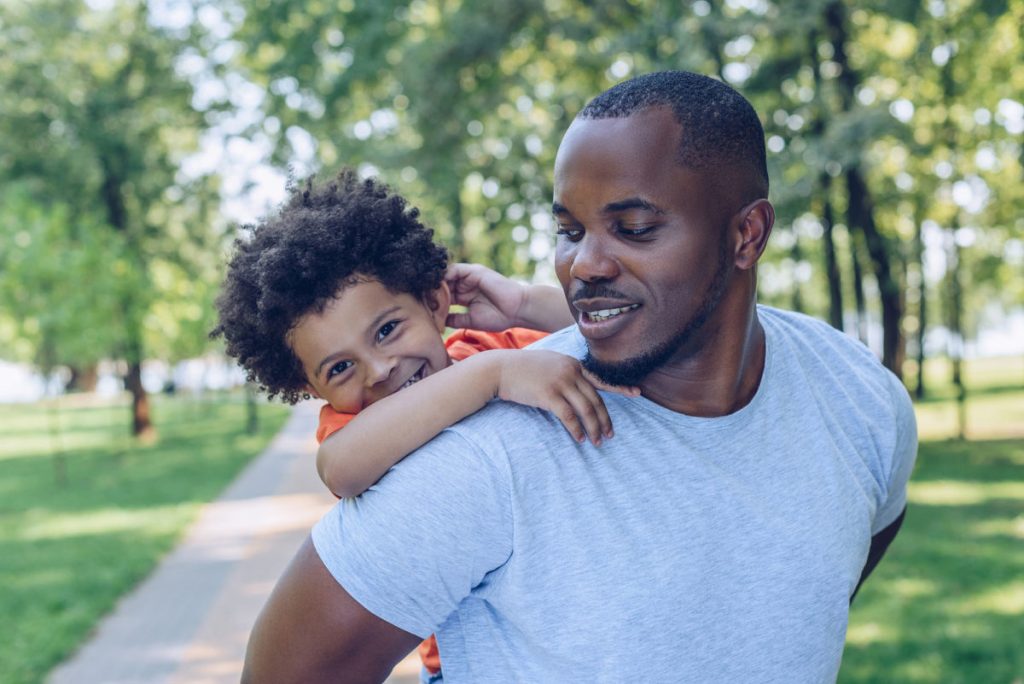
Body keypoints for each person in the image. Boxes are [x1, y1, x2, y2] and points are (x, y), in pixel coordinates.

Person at [241, 71, 917, 683]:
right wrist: (494, 376)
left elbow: (841, 560)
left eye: (634, 228)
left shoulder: (857, 396)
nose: (584, 265)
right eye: (568, 230)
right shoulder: (478, 451)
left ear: (747, 235)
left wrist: (521, 305)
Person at [212, 169, 634, 680]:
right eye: (340, 368)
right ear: (310, 389)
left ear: (435, 303)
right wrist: (490, 378)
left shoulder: (486, 350)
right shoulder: (364, 421)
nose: (379, 369)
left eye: (387, 329)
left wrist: (521, 303)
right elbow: (340, 469)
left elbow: (617, 332)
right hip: (464, 665)